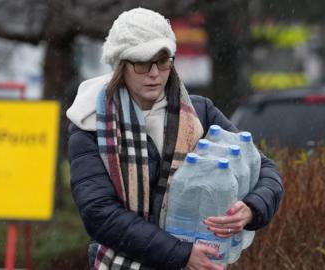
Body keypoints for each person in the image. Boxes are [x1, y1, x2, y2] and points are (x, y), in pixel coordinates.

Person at [66, 7, 283, 270]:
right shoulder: (89, 124)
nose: (155, 73)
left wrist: (251, 209)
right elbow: (99, 213)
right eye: (142, 62)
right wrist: (180, 255)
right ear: (120, 65)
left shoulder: (199, 113)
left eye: (163, 60)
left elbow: (265, 169)